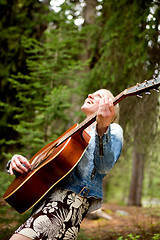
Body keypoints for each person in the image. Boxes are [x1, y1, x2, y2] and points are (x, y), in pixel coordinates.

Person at [7, 89, 123, 240]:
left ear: (110, 106)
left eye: (99, 96)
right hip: (45, 203)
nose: (90, 95)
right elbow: (45, 168)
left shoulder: (113, 129)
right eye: (92, 93)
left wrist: (102, 130)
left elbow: (104, 166)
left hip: (67, 204)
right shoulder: (75, 133)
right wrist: (17, 163)